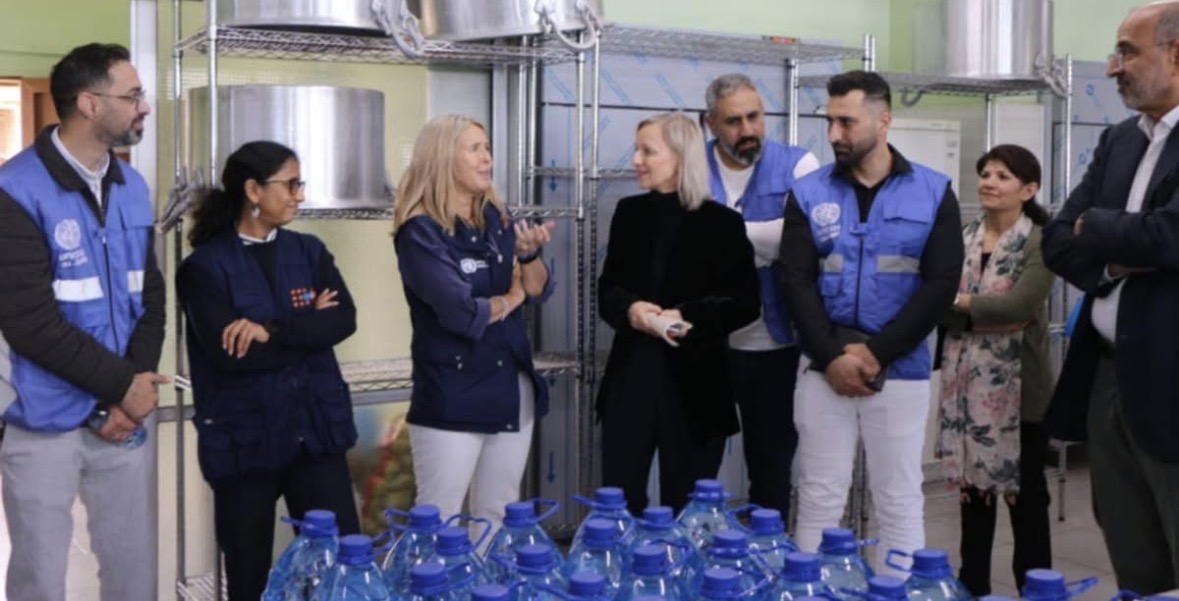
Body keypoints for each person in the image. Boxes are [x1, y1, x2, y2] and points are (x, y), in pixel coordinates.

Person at [776, 70, 963, 570]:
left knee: (898, 497)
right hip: (823, 369)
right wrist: (832, 356)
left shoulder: (933, 191)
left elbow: (941, 284)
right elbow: (795, 281)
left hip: (899, 369)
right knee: (818, 494)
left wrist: (878, 352)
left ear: (883, 121)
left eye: (847, 122)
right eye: (830, 121)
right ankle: (812, 590)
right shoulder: (808, 192)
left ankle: (897, 590)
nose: (834, 134)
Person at [0, 43, 165, 601]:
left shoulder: (132, 186)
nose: (144, 106)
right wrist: (124, 387)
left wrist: (134, 389)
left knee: (133, 571)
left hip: (123, 418)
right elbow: (30, 322)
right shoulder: (14, 190)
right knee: (40, 580)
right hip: (43, 419)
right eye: (133, 95)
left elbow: (151, 295)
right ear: (90, 104)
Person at [177, 141, 361, 601]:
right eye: (291, 184)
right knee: (249, 576)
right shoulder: (204, 268)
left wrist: (270, 331)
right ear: (253, 190)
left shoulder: (309, 251)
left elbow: (343, 320)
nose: (300, 195)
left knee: (338, 568)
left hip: (316, 435)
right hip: (246, 443)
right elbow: (231, 355)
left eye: (301, 184)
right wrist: (306, 327)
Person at [1042, 2, 1179, 593]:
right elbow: (1056, 238)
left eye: (1126, 51)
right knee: (1131, 547)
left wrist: (1096, 227)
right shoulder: (1120, 140)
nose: (1111, 67)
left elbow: (1169, 236)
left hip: (1171, 379)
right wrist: (1116, 260)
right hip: (1106, 376)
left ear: (1176, 54)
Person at [393, 114, 555, 531]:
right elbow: (462, 313)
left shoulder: (499, 218)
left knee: (498, 512)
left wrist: (528, 257)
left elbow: (538, 290)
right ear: (443, 157)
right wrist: (512, 297)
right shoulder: (421, 232)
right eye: (475, 149)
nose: (488, 159)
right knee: (438, 520)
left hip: (510, 387)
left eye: (488, 149)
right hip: (453, 394)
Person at [597, 112, 760, 515]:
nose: (636, 160)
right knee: (619, 508)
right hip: (631, 382)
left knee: (688, 514)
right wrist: (631, 309)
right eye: (637, 150)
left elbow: (745, 303)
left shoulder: (723, 224)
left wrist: (685, 317)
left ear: (680, 156)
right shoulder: (629, 213)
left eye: (647, 151)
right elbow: (607, 290)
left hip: (697, 391)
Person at [936, 145, 1054, 596]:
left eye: (1003, 176)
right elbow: (935, 303)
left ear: (1028, 189)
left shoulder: (1041, 240)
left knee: (1027, 499)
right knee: (974, 498)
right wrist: (982, 313)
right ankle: (974, 588)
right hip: (965, 391)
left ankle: (1035, 588)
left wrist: (959, 305)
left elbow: (1020, 306)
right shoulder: (963, 236)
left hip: (1021, 393)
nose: (989, 182)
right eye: (985, 173)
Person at [703, 73, 820, 518]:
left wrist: (722, 237)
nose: (748, 129)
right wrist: (764, 239)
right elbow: (684, 248)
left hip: (776, 345)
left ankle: (768, 550)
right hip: (707, 345)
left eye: (754, 116)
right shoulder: (688, 165)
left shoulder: (799, 164)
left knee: (771, 466)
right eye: (734, 121)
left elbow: (802, 243)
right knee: (698, 465)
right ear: (711, 123)